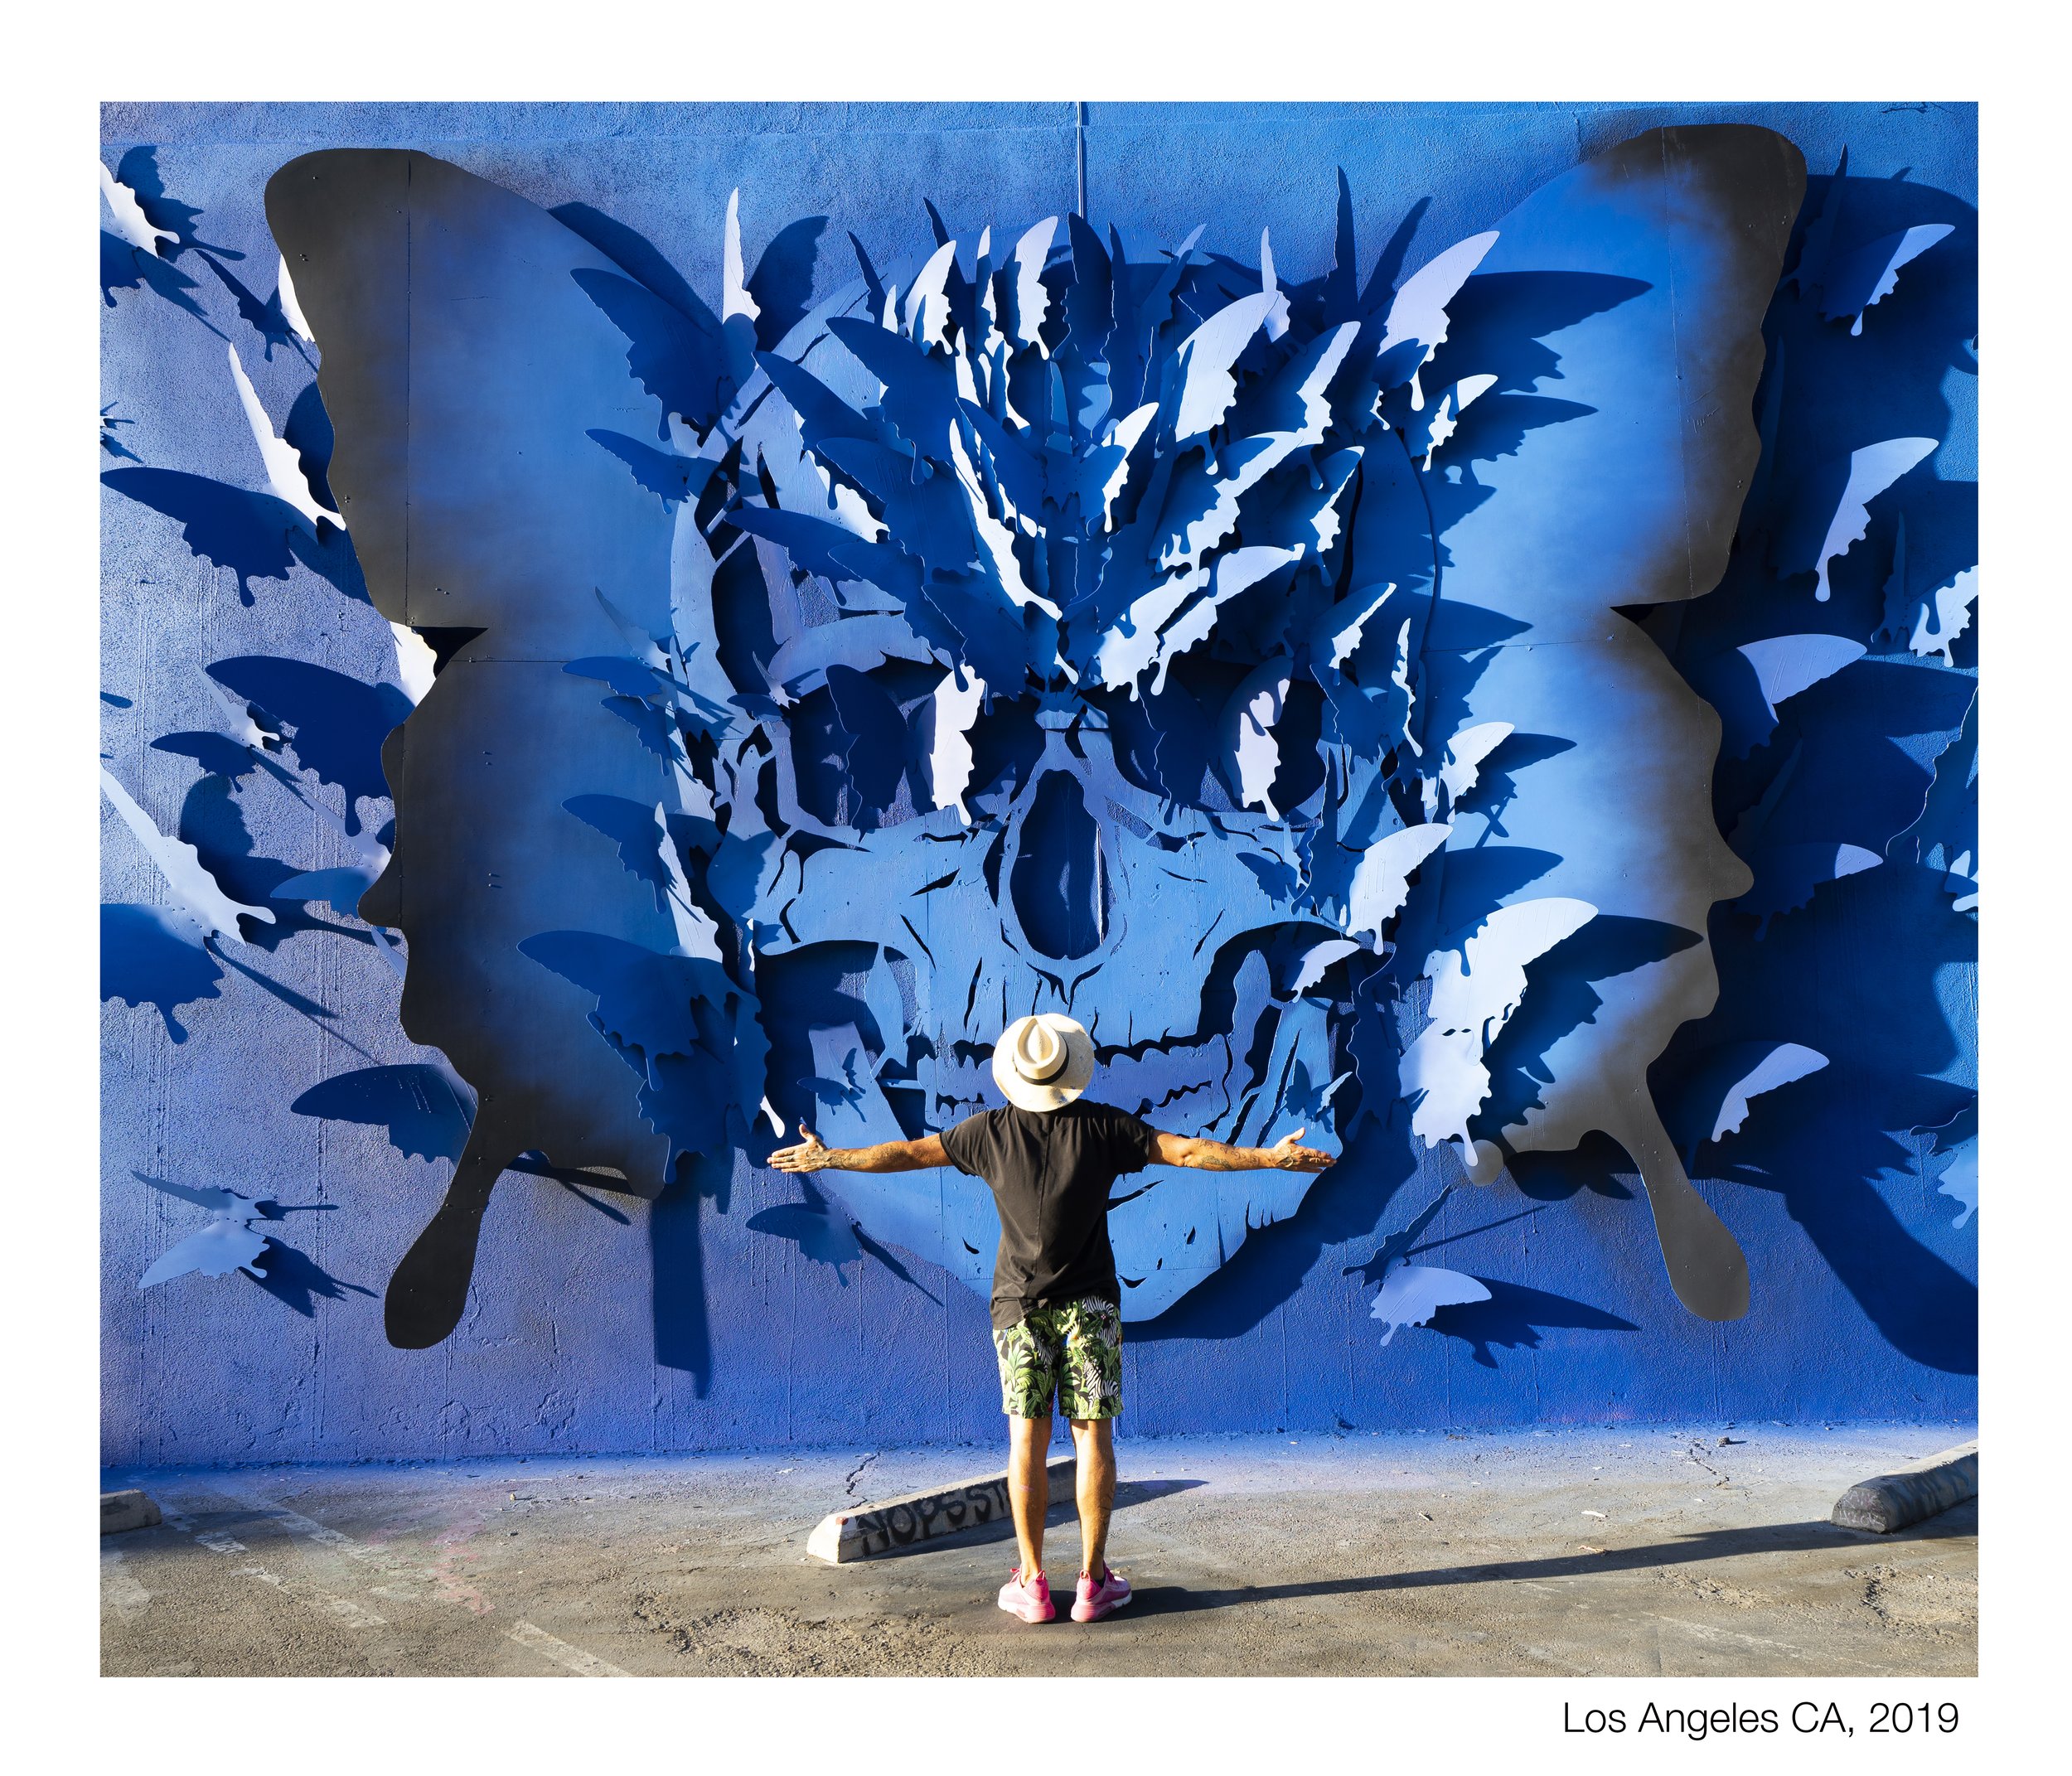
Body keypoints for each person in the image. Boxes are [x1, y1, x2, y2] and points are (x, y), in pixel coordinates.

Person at [770, 1011, 1334, 1624]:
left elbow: (906, 1152)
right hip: (1090, 1305)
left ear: (1015, 1074)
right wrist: (1269, 1159)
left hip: (1017, 1307)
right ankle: (1093, 1581)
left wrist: (829, 1159)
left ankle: (1033, 1582)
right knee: (1093, 1436)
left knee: (1026, 1441)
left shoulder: (986, 1132)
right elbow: (1191, 1151)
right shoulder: (1104, 1128)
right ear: (1070, 1071)